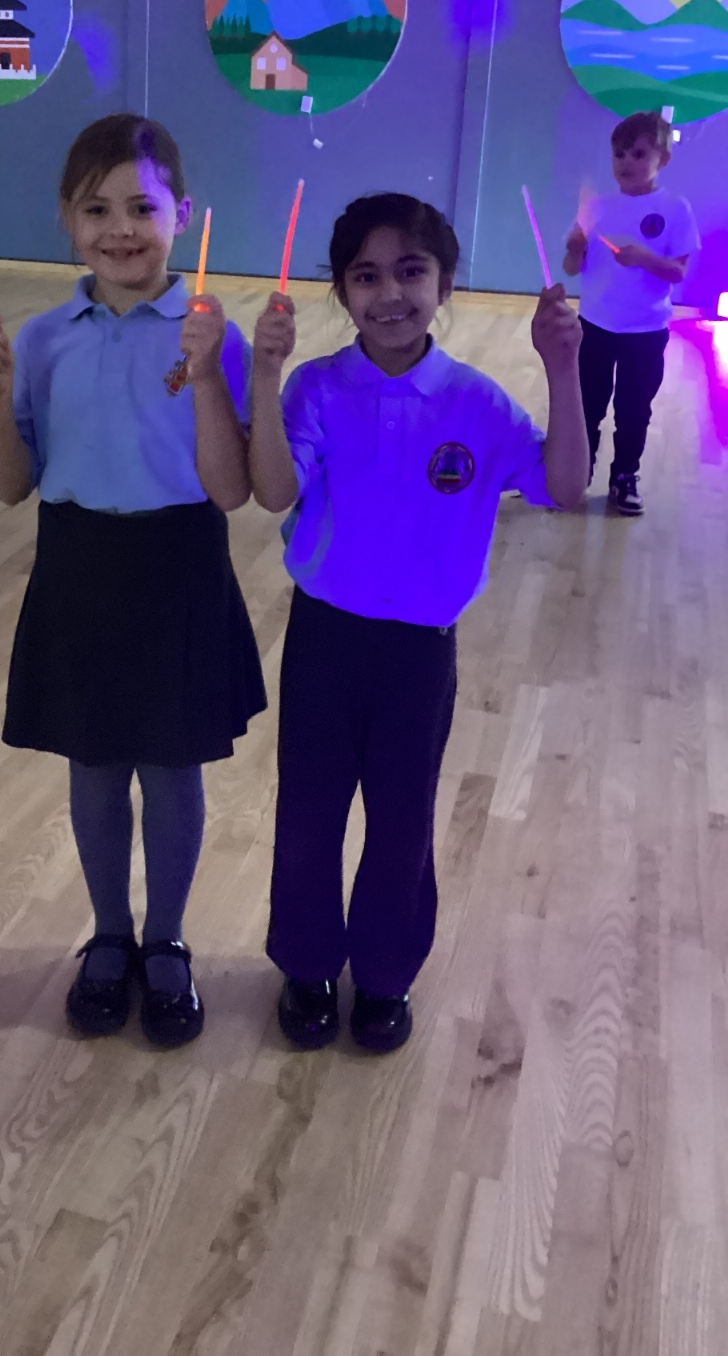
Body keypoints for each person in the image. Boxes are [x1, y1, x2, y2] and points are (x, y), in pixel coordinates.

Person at [245, 193, 586, 1054]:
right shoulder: (319, 388)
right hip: (325, 639)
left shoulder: (477, 404)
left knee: (402, 822)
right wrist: (263, 377)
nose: (389, 294)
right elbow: (275, 492)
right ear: (340, 290)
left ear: (445, 282)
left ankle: (386, 973)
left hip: (419, 653)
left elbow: (566, 486)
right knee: (310, 814)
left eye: (410, 271)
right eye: (365, 276)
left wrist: (563, 368)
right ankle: (307, 965)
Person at [0, 113, 265, 1049]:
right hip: (79, 567)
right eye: (96, 209)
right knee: (93, 768)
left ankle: (166, 939)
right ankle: (108, 935)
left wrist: (209, 374)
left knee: (172, 772)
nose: (121, 227)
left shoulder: (214, 337)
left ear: (184, 214)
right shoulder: (44, 338)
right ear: (67, 218)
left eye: (142, 206)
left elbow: (230, 490)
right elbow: (8, 484)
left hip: (179, 565)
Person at [563, 110, 698, 516]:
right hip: (595, 325)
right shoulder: (598, 207)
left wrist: (643, 258)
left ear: (663, 159)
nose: (627, 162)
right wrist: (575, 248)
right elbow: (572, 268)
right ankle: (578, 472)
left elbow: (678, 272)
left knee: (634, 409)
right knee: (587, 404)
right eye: (619, 154)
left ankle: (624, 476)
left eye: (639, 154)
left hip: (645, 330)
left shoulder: (675, 208)